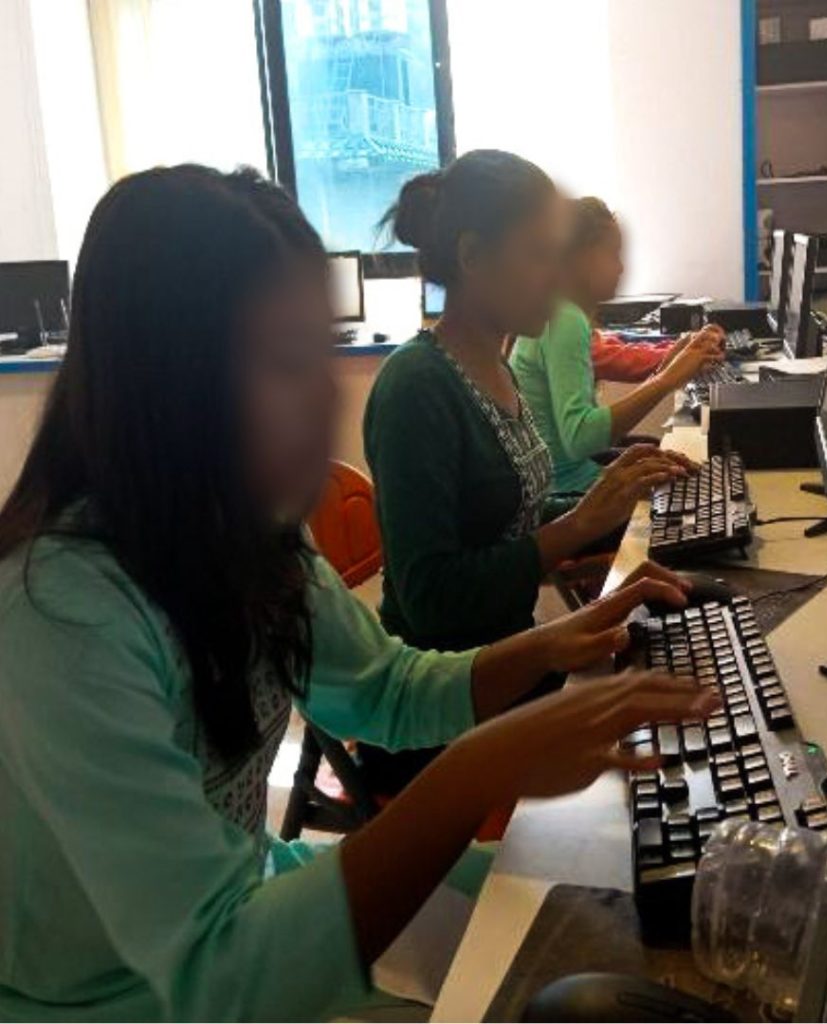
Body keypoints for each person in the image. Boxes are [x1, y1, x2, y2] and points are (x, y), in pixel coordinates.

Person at [0, 165, 718, 1021]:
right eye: (282, 360)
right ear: (164, 372)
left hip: (247, 906)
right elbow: (219, 980)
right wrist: (484, 764)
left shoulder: (241, 518)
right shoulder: (60, 612)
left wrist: (555, 644)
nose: (320, 394)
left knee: (622, 914)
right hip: (120, 997)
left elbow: (380, 687)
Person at [365, 151, 689, 659]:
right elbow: (429, 599)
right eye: (540, 255)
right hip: (446, 691)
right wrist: (578, 526)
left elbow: (512, 519)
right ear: (472, 255)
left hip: (509, 654)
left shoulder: (497, 365)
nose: (559, 279)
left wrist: (615, 501)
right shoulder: (416, 386)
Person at [510, 196, 725, 493]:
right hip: (564, 491)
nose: (621, 268)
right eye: (613, 254)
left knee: (669, 463)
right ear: (581, 258)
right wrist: (666, 380)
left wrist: (670, 363)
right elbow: (581, 438)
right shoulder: (565, 320)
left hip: (571, 477)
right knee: (692, 487)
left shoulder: (561, 312)